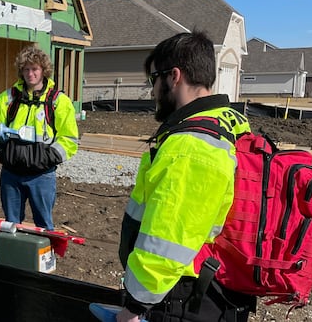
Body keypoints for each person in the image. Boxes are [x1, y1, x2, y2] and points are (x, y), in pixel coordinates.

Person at [104, 31, 254, 322]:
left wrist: (134, 308)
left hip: (187, 295)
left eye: (154, 81)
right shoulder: (230, 122)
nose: (152, 91)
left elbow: (168, 241)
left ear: (173, 76)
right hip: (216, 288)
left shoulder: (190, 145)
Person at [0, 45, 79, 230]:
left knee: (44, 225)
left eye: (35, 69)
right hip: (11, 174)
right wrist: (2, 151)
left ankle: (46, 259)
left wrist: (47, 158)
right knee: (11, 224)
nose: (30, 74)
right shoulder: (7, 99)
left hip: (42, 175)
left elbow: (70, 139)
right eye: (26, 69)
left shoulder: (58, 101)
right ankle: (12, 259)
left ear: (43, 71)